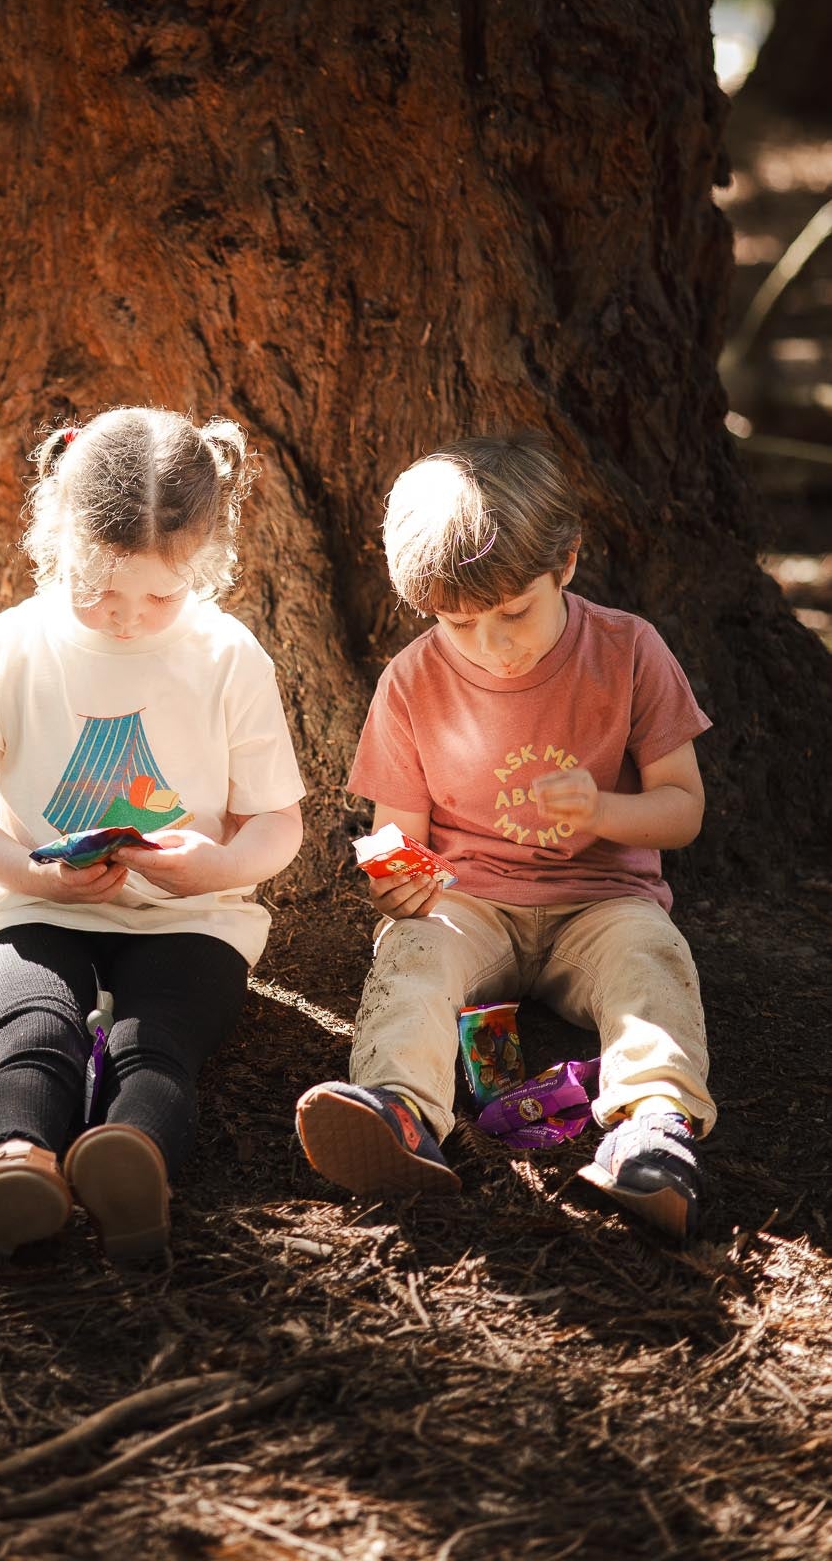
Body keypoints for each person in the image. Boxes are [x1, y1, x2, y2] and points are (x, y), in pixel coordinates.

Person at [295, 434, 714, 1240]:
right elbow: (397, 840)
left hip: (603, 900)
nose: (491, 642)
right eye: (457, 622)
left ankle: (654, 1132)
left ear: (565, 563)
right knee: (410, 955)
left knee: (650, 964)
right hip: (469, 901)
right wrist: (394, 885)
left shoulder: (627, 651)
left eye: (513, 612)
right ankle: (399, 1114)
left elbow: (680, 810)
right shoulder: (413, 680)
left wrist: (599, 811)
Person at [0, 407, 305, 1260]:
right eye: (97, 590)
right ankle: (15, 1165)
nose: (127, 617)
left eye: (160, 595)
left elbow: (278, 819)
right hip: (38, 907)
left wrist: (219, 871)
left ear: (207, 558)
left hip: (190, 920)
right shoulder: (7, 650)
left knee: (157, 1044)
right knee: (33, 1035)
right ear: (56, 537)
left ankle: (133, 1162)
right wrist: (33, 872)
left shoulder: (226, 655)